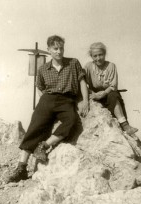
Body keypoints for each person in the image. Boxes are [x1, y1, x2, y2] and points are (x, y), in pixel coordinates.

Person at [6, 35, 89, 183]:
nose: (59, 51)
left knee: (71, 120)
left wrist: (85, 101)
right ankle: (21, 168)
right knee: (35, 127)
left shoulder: (73, 63)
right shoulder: (43, 68)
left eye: (61, 48)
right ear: (49, 50)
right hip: (47, 99)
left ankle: (43, 146)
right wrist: (44, 105)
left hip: (66, 100)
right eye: (55, 49)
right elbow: (40, 88)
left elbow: (82, 81)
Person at [84, 42, 138, 135]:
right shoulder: (88, 67)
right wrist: (94, 94)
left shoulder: (111, 66)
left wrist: (103, 93)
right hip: (94, 93)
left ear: (105, 54)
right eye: (95, 56)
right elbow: (83, 83)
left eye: (100, 55)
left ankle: (124, 125)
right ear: (91, 57)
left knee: (114, 95)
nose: (98, 58)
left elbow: (113, 86)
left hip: (108, 93)